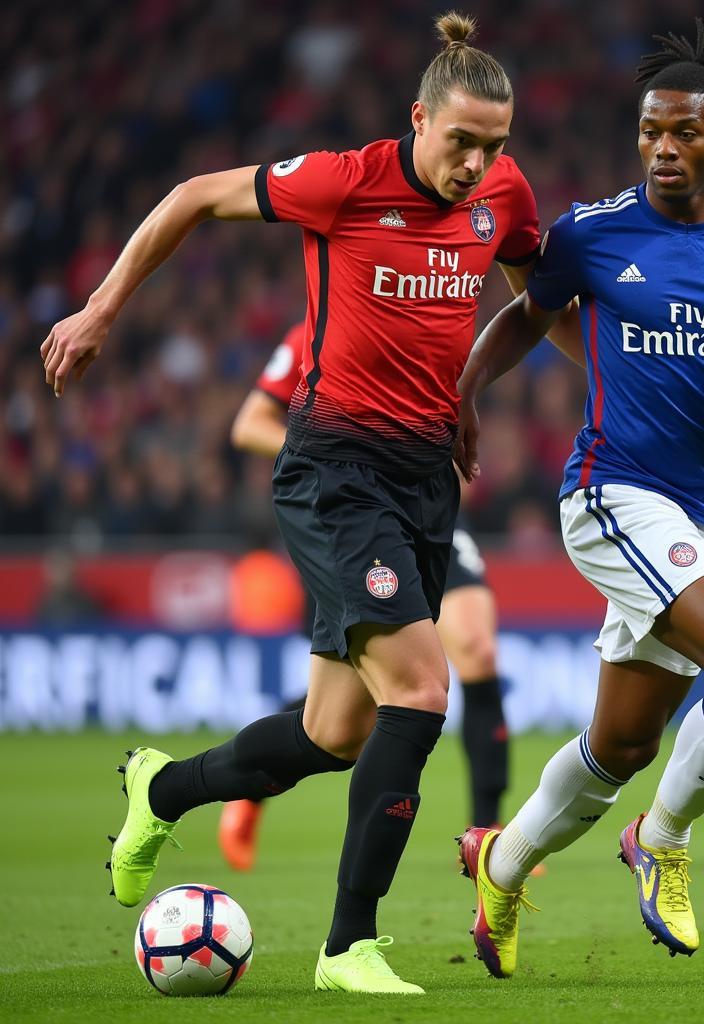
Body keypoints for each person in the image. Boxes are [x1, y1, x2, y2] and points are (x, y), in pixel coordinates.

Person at [41, 13, 578, 995]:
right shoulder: (346, 179)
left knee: (336, 733)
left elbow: (536, 299)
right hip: (335, 470)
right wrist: (104, 305)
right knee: (422, 688)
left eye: (493, 146)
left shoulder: (504, 195)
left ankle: (158, 786)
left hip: (424, 478)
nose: (476, 163)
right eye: (460, 140)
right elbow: (195, 195)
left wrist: (472, 395)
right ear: (418, 118)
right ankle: (348, 944)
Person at [454, 20, 704, 979]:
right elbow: (526, 316)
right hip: (612, 494)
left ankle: (501, 862)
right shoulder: (594, 231)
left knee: (620, 744)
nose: (665, 148)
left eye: (685, 133)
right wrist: (460, 398)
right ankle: (660, 843)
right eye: (651, 131)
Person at [217, 321, 516, 872]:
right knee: (355, 704)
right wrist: (342, 458)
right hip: (357, 509)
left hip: (428, 508)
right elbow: (250, 424)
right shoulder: (315, 330)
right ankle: (248, 787)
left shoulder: (432, 297)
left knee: (477, 646)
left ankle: (488, 831)